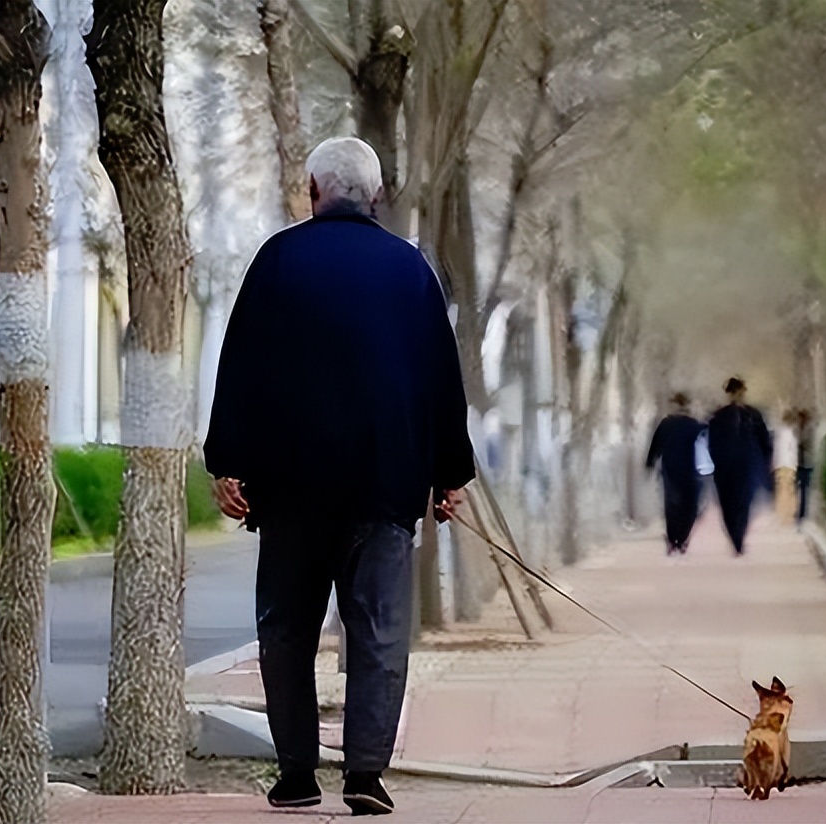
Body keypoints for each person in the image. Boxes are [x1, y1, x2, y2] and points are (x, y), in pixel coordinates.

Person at [204, 137, 474, 815]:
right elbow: (441, 379)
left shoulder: (278, 260)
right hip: (383, 489)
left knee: (287, 629)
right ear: (376, 194)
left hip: (291, 489)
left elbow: (242, 366)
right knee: (379, 631)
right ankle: (365, 775)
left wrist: (227, 461)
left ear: (313, 189)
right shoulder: (409, 271)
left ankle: (297, 773)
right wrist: (448, 474)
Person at [707, 377, 773, 554]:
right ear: (729, 394)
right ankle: (735, 535)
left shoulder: (753, 415)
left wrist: (764, 465)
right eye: (735, 393)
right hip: (725, 469)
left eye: (740, 393)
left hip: (746, 466)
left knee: (744, 502)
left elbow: (765, 441)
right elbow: (712, 442)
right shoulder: (718, 416)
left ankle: (739, 538)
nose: (738, 396)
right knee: (728, 504)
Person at [646, 393, 705, 555]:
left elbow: (656, 445)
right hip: (691, 471)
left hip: (670, 469)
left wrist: (650, 462)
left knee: (672, 505)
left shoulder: (666, 424)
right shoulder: (695, 425)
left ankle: (673, 539)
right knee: (690, 506)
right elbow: (705, 446)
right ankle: (682, 537)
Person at [773, 410, 800, 526]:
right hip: (788, 465)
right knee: (789, 490)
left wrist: (774, 465)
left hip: (781, 465)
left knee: (782, 491)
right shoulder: (790, 434)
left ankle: (783, 515)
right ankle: (788, 515)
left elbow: (778, 451)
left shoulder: (781, 434)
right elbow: (792, 452)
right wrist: (795, 465)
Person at [795, 409, 815, 524]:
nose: (799, 419)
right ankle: (800, 511)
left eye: (801, 417)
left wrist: (798, 442)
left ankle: (804, 513)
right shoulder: (798, 428)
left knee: (805, 489)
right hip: (800, 462)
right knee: (799, 489)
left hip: (807, 462)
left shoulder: (809, 428)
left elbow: (802, 441)